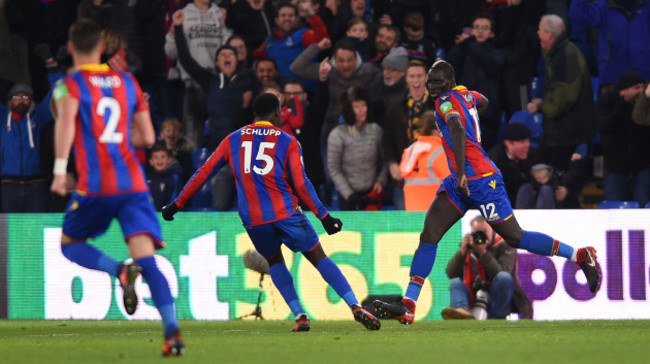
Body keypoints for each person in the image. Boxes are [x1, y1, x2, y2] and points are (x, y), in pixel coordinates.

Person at [372, 60, 601, 325]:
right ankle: (409, 304)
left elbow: (457, 127)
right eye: (430, 82)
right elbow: (484, 102)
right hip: (460, 183)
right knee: (430, 234)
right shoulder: (464, 94)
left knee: (516, 237)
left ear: (450, 81)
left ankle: (581, 255)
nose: (432, 86)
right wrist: (468, 108)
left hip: (480, 180)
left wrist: (459, 172)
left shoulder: (444, 102)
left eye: (437, 82)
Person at [161, 93, 381, 332]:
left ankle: (300, 316)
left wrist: (177, 204)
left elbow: (204, 172)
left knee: (274, 260)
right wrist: (324, 216)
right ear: (276, 113)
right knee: (318, 256)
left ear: (254, 115)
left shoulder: (233, 139)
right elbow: (302, 184)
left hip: (253, 220)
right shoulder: (287, 141)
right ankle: (354, 305)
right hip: (285, 213)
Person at [49, 19, 183, 356]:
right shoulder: (128, 81)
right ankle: (173, 334)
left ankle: (119, 271)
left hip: (97, 185)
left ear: (70, 49)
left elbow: (65, 121)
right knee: (148, 260)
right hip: (134, 185)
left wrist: (60, 170)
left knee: (69, 244)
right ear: (102, 48)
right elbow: (149, 138)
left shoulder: (69, 84)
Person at [527, 14, 595, 171]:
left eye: (540, 29)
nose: (537, 33)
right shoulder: (559, 53)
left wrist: (541, 107)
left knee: (559, 180)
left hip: (567, 134)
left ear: (549, 35)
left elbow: (562, 99)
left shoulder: (566, 56)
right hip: (559, 132)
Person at [442, 216, 533, 320]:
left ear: (493, 230)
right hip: (474, 292)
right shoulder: (469, 247)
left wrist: (483, 253)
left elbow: (502, 274)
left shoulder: (505, 245)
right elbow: (450, 273)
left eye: (485, 231)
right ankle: (461, 311)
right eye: (478, 232)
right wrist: (462, 252)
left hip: (498, 297)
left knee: (504, 278)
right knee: (455, 283)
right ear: (472, 233)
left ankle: (491, 317)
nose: (482, 236)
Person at [447, 12, 505, 151]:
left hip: (488, 116)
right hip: (464, 115)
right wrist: (461, 46)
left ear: (492, 33)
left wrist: (469, 43)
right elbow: (449, 66)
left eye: (485, 28)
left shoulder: (498, 53)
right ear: (471, 30)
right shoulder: (463, 50)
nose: (480, 30)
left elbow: (491, 66)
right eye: (476, 27)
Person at [383, 60, 434, 210]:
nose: (416, 81)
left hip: (431, 177)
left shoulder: (437, 105)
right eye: (412, 76)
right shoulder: (395, 106)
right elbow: (387, 140)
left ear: (426, 78)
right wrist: (391, 162)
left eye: (419, 76)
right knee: (405, 227)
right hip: (404, 177)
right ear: (406, 79)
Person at [327, 86, 387, 211]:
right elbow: (333, 168)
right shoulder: (337, 134)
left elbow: (384, 160)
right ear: (349, 109)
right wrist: (350, 195)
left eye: (363, 105)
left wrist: (381, 180)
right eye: (356, 106)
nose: (361, 110)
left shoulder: (376, 130)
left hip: (372, 194)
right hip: (348, 197)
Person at [595, 70, 650, 206]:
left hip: (641, 168)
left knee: (643, 210)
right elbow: (604, 125)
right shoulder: (608, 101)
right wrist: (622, 104)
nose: (641, 91)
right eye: (637, 88)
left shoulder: (645, 104)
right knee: (614, 211)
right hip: (615, 170)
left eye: (643, 87)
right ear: (624, 90)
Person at [0, 82, 54, 213]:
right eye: (17, 97)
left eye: (25, 97)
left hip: (37, 185)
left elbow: (55, 91)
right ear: (10, 101)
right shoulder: (2, 120)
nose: (21, 101)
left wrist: (54, 68)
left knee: (35, 229)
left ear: (31, 101)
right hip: (9, 185)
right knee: (10, 231)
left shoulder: (40, 117)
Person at [399, 110, 450, 211]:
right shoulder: (440, 151)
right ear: (435, 131)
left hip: (412, 212)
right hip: (434, 212)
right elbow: (453, 183)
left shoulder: (410, 150)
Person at [488, 123, 545, 205]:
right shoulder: (494, 162)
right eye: (522, 142)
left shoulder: (533, 154)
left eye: (528, 140)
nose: (527, 145)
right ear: (508, 144)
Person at [146, 143, 183, 210]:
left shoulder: (174, 177)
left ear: (169, 160)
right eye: (155, 157)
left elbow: (174, 200)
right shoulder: (146, 178)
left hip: (167, 216)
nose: (159, 160)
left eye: (163, 157)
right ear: (151, 161)